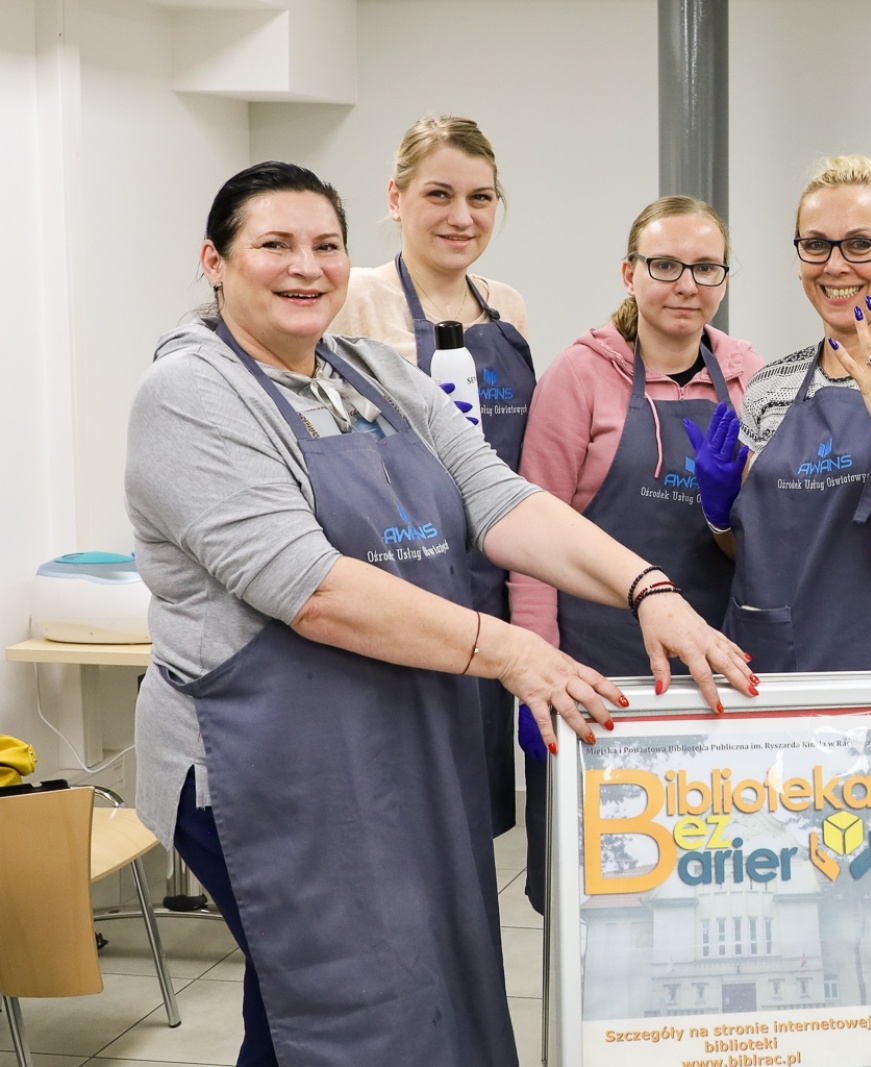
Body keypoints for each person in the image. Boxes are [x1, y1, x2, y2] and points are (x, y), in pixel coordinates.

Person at [126, 161, 753, 1067]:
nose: (306, 266)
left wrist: (647, 587)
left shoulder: (374, 374)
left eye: (325, 246)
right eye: (275, 244)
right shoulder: (190, 395)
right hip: (264, 762)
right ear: (215, 262)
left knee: (344, 1000)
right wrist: (515, 651)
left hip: (390, 743)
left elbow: (501, 499)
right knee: (351, 1007)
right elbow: (313, 587)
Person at [701, 155, 871, 1066]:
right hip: (776, 695)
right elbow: (756, 551)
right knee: (790, 944)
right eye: (815, 244)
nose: (837, 264)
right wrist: (719, 512)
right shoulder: (769, 386)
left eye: (860, 243)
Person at [509, 195, 762, 912]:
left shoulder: (750, 378)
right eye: (665, 265)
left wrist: (730, 508)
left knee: (706, 884)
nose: (687, 284)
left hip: (713, 679)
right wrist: (538, 674)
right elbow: (532, 537)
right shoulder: (580, 376)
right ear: (630, 273)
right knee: (595, 893)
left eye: (706, 267)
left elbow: (770, 541)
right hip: (596, 680)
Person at [329, 115, 533, 836]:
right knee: (395, 805)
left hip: (485, 580)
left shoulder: (506, 306)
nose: (461, 217)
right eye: (439, 194)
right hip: (391, 571)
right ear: (396, 198)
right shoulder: (354, 296)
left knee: (472, 807)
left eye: (481, 198)